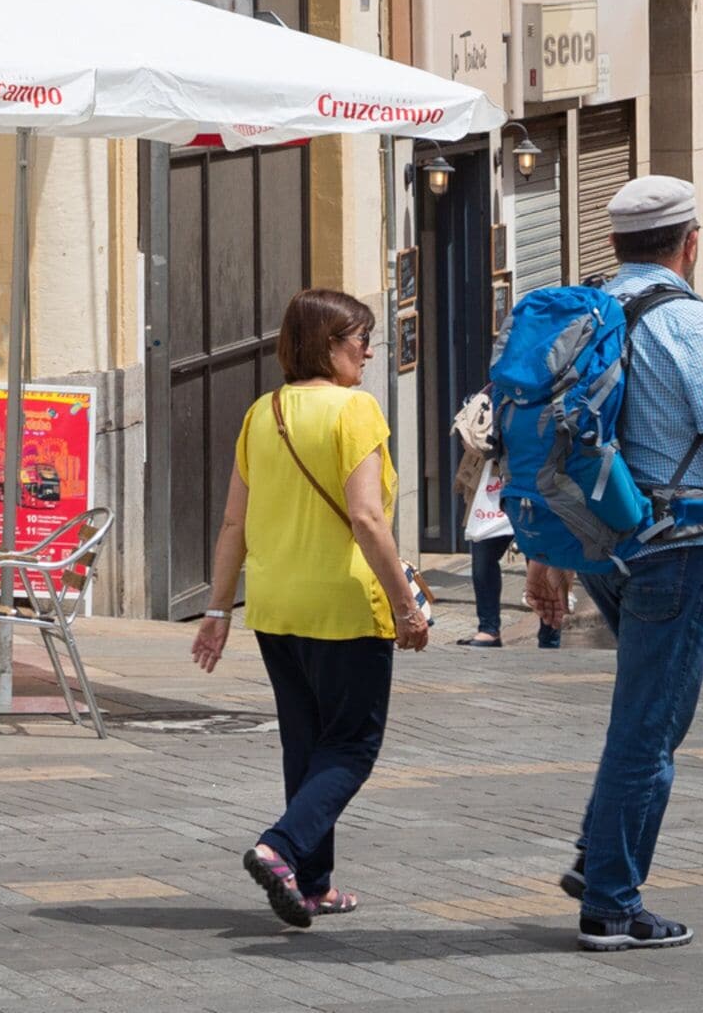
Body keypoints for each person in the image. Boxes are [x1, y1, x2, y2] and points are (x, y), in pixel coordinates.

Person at [527, 175, 703, 953]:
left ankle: (598, 856)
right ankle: (612, 905)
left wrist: (545, 557)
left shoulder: (587, 316)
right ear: (689, 244)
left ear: (613, 244)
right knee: (648, 727)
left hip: (601, 546)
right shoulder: (690, 324)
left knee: (656, 716)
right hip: (675, 548)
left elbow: (545, 441)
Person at [192, 286, 430, 929]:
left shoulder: (262, 414)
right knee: (352, 744)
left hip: (275, 606)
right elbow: (367, 518)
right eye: (361, 340)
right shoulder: (355, 411)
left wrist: (218, 610)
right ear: (329, 345)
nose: (370, 352)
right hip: (344, 605)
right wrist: (407, 606)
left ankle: (313, 884)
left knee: (306, 745)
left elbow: (233, 525)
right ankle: (281, 847)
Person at [451, 389, 550, 649]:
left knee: (543, 558)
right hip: (493, 485)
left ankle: (550, 631)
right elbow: (473, 435)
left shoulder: (547, 383)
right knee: (482, 556)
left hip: (534, 481)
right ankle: (488, 629)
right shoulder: (494, 386)